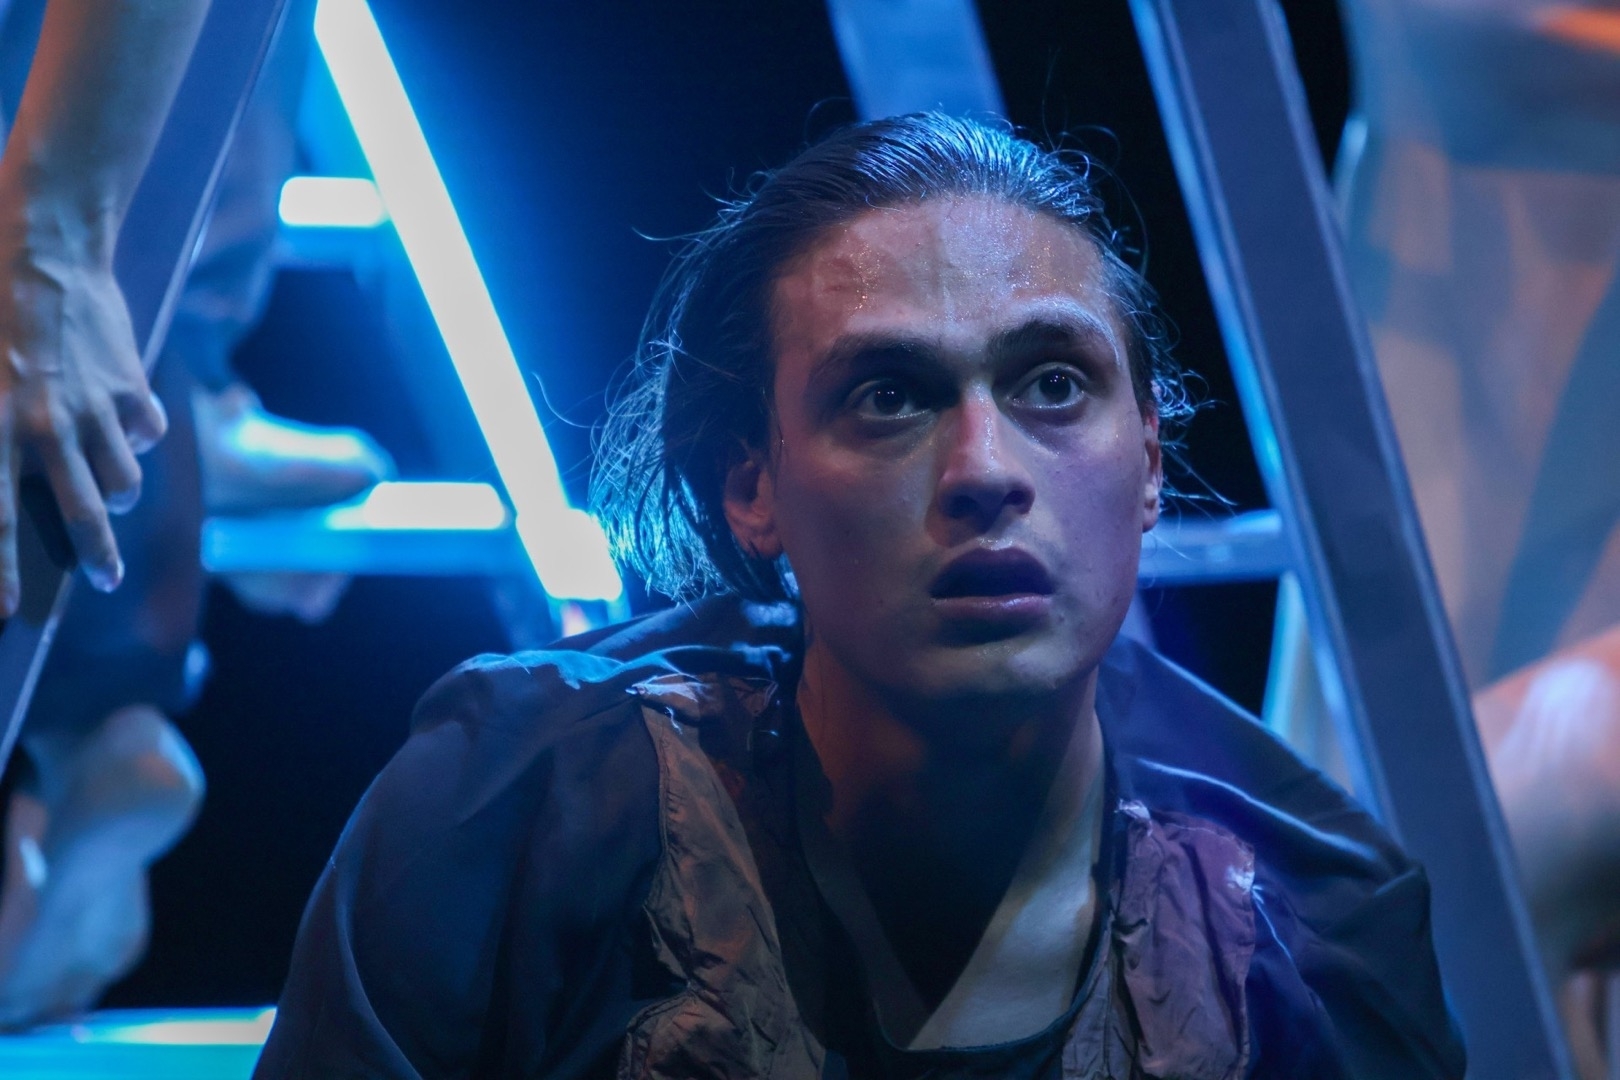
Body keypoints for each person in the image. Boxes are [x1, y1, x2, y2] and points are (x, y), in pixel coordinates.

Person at [255, 114, 1464, 1078]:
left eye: (1052, 383)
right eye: (888, 397)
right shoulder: (514, 810)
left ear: (1148, 461)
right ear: (752, 486)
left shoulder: (1313, 936)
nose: (985, 470)